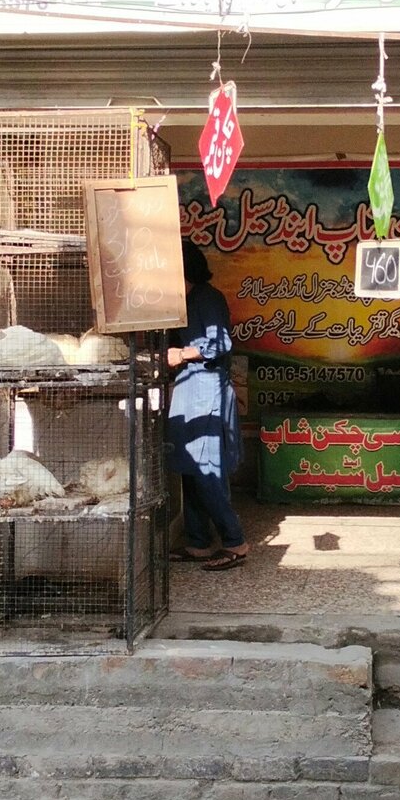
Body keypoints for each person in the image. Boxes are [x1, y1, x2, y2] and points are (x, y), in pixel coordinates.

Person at [166, 241, 248, 571]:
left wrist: (182, 353)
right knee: (189, 468)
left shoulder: (207, 298)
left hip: (207, 391)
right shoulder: (184, 302)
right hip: (189, 390)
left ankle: (235, 542)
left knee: (207, 471)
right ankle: (198, 542)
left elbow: (220, 343)